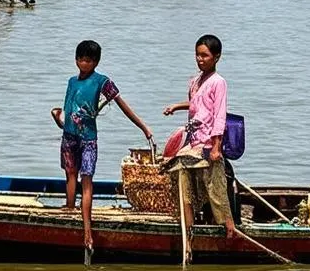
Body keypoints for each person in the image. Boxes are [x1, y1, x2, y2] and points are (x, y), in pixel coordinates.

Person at [52, 39, 153, 253]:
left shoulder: (102, 81)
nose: (83, 63)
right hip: (69, 137)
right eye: (80, 59)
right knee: (70, 174)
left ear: (96, 62)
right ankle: (69, 210)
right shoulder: (72, 81)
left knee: (86, 180)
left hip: (88, 139)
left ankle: (87, 231)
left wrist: (143, 127)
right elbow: (70, 115)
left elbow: (122, 105)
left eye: (88, 60)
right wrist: (58, 119)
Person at [163, 34, 236, 247]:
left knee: (216, 188)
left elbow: (219, 114)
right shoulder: (195, 81)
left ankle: (228, 227)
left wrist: (216, 146)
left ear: (216, 57)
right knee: (181, 180)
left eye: (205, 55)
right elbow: (197, 104)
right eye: (197, 55)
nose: (200, 59)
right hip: (193, 142)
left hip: (208, 144)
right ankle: (189, 229)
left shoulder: (218, 82)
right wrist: (177, 106)